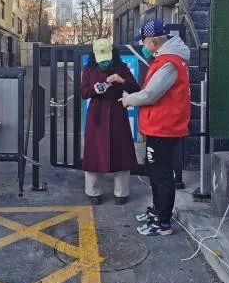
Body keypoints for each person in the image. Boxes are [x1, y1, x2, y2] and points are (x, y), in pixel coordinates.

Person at [122, 20, 191, 236]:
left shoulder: (169, 62)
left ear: (153, 41)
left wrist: (128, 100)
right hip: (159, 127)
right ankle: (157, 211)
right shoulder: (165, 59)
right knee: (154, 171)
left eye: (143, 41)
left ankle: (163, 222)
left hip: (164, 128)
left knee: (162, 175)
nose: (142, 45)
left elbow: (151, 94)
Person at [80, 38, 141, 205]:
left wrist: (122, 80)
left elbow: (135, 88)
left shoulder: (121, 68)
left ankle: (121, 192)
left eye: (107, 57)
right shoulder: (88, 69)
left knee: (121, 151)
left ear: (113, 53)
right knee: (94, 152)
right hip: (97, 113)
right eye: (101, 59)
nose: (104, 62)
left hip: (117, 111)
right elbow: (83, 92)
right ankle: (93, 191)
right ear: (94, 55)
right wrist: (94, 89)